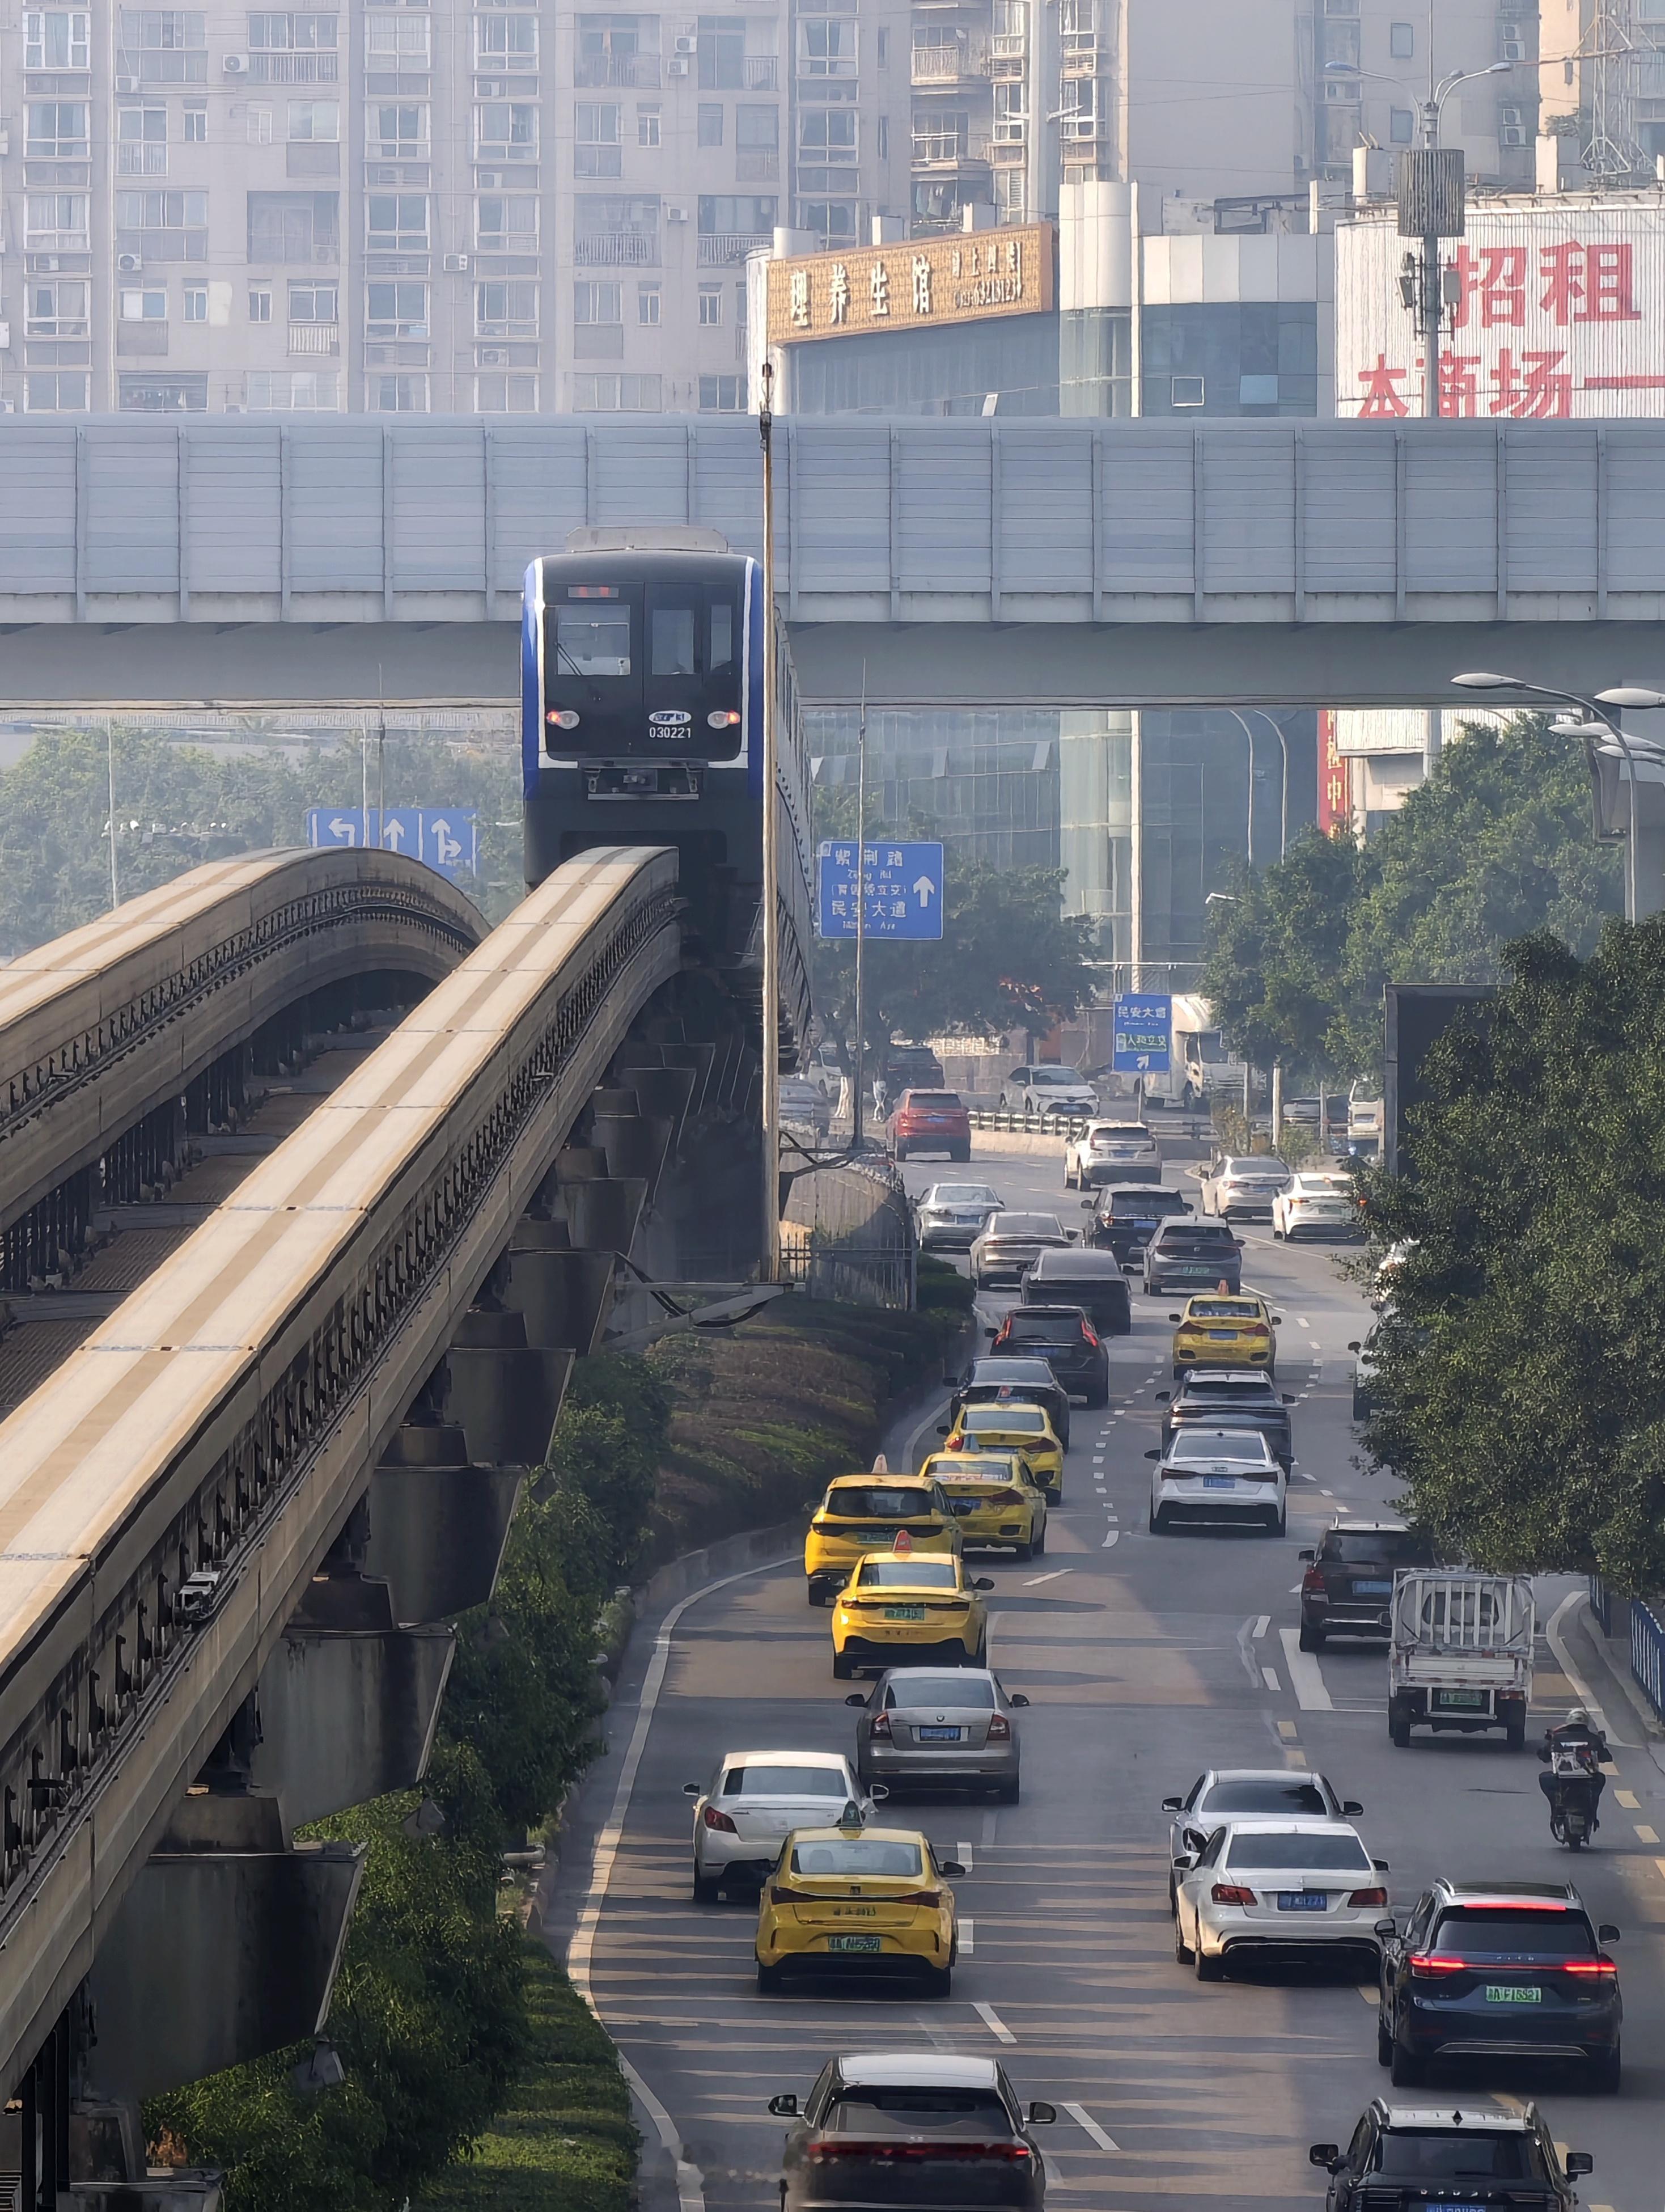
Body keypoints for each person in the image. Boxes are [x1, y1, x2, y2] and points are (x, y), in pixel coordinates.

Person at [1536, 1706, 1609, 1838]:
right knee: (1600, 1780)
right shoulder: (1593, 1739)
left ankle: (1556, 1810)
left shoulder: (1557, 1738)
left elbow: (1543, 1756)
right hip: (1588, 1780)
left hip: (1562, 1780)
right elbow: (1606, 1757)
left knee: (1544, 1779)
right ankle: (1593, 1814)